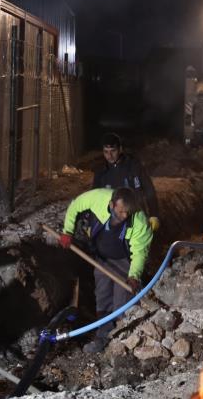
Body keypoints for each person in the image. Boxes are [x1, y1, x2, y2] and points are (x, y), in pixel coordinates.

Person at [57, 187, 153, 354]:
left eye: (127, 212)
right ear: (111, 204)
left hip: (124, 261)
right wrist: (67, 231)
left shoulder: (139, 220)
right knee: (102, 296)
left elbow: (139, 252)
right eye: (121, 211)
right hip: (101, 258)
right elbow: (75, 205)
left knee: (121, 300)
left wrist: (134, 275)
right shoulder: (98, 198)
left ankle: (122, 338)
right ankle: (103, 336)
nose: (124, 216)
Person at [92, 133, 160, 232]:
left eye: (113, 151)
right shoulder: (101, 172)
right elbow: (94, 198)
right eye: (106, 152)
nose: (109, 156)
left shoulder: (134, 166)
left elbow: (149, 190)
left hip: (135, 218)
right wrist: (92, 221)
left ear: (120, 149)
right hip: (111, 220)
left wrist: (154, 215)